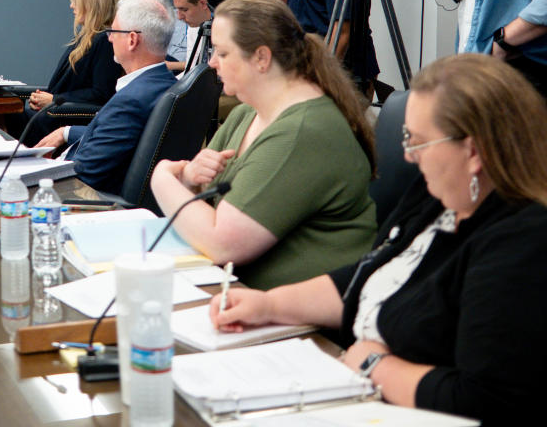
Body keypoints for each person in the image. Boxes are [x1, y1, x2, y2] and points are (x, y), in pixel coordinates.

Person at [209, 54, 547, 425]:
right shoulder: (438, 197)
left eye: (419, 142)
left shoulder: (522, 241)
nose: (407, 155)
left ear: (474, 151)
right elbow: (368, 276)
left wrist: (375, 364)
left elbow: (484, 399)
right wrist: (268, 305)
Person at [150, 0, 376, 290]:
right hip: (237, 297)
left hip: (298, 325)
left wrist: (163, 177)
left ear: (261, 57)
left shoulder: (302, 133)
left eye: (222, 52)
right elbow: (200, 203)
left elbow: (222, 242)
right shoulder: (246, 113)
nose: (212, 63)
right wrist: (190, 180)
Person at [35, 0, 177, 194]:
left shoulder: (130, 101)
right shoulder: (162, 83)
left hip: (78, 197)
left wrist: (34, 175)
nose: (109, 39)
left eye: (114, 31)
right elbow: (124, 138)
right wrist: (66, 131)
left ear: (132, 40)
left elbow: (84, 174)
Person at [19, 0, 124, 146]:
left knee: (3, 120)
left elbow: (101, 94)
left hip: (64, 121)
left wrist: (54, 100)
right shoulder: (88, 38)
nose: (71, 5)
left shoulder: (105, 41)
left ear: (91, 4)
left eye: (76, 1)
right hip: (55, 116)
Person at [167, 0, 212, 75]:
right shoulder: (193, 27)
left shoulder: (222, 27)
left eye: (184, 10)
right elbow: (191, 70)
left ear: (203, 3)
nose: (179, 17)